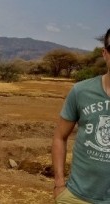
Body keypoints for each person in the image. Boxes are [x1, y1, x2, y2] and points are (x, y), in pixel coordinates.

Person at [55, 28, 110, 203]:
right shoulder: (81, 91)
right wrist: (59, 185)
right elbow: (59, 137)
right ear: (105, 53)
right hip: (77, 197)